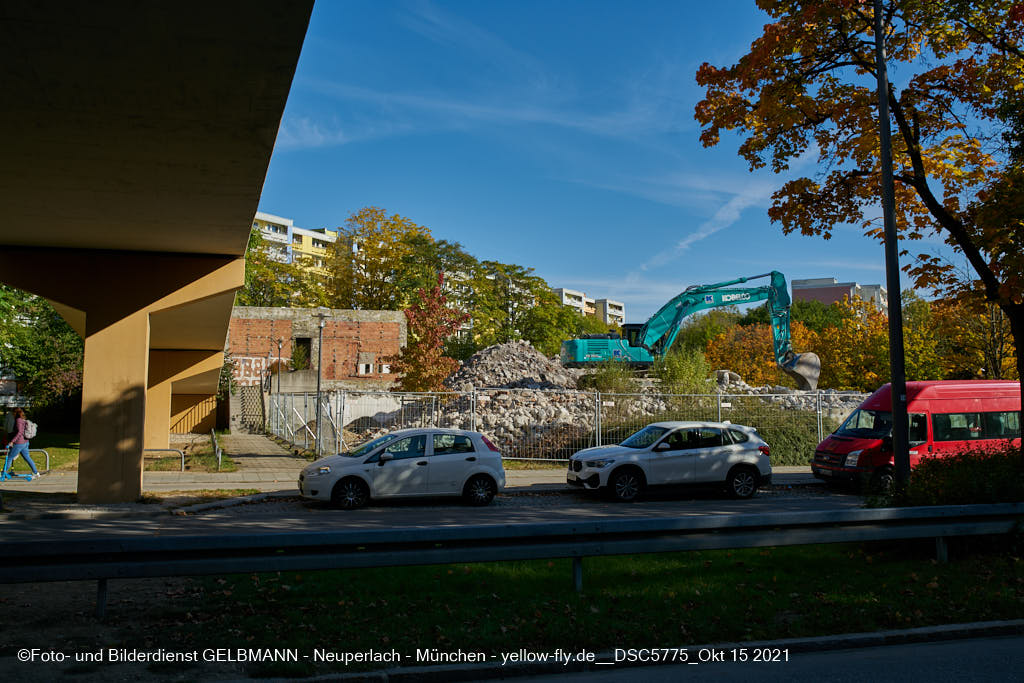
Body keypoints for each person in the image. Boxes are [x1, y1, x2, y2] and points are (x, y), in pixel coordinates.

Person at [5, 407, 39, 479]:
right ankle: (36, 472)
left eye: (12, 413)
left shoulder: (18, 420)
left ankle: (3, 473)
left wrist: (12, 441)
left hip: (19, 443)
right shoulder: (22, 419)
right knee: (27, 457)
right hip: (25, 442)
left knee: (10, 457)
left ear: (15, 413)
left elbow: (19, 432)